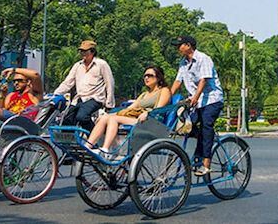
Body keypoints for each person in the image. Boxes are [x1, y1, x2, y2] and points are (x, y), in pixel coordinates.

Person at [85, 65, 171, 158]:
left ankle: (105, 149)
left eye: (150, 75)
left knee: (114, 119)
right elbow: (129, 109)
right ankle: (88, 147)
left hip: (151, 121)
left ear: (158, 77)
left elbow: (158, 109)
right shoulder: (144, 94)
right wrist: (108, 115)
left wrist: (148, 113)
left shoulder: (164, 91)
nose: (146, 78)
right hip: (137, 119)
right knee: (105, 117)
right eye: (145, 75)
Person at [170, 35, 224, 176]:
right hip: (196, 102)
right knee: (187, 126)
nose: (178, 48)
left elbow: (203, 80)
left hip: (211, 100)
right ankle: (200, 150)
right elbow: (177, 82)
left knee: (206, 125)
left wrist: (196, 97)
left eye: (179, 45)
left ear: (188, 45)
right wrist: (167, 97)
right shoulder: (183, 63)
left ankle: (206, 163)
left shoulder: (203, 58)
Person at [53, 40, 115, 132]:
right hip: (80, 98)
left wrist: (109, 103)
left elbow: (109, 83)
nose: (82, 53)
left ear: (92, 52)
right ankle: (70, 143)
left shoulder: (101, 64)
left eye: (85, 51)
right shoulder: (78, 65)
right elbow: (68, 83)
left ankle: (93, 138)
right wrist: (55, 94)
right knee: (67, 119)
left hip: (95, 98)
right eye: (81, 51)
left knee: (82, 117)